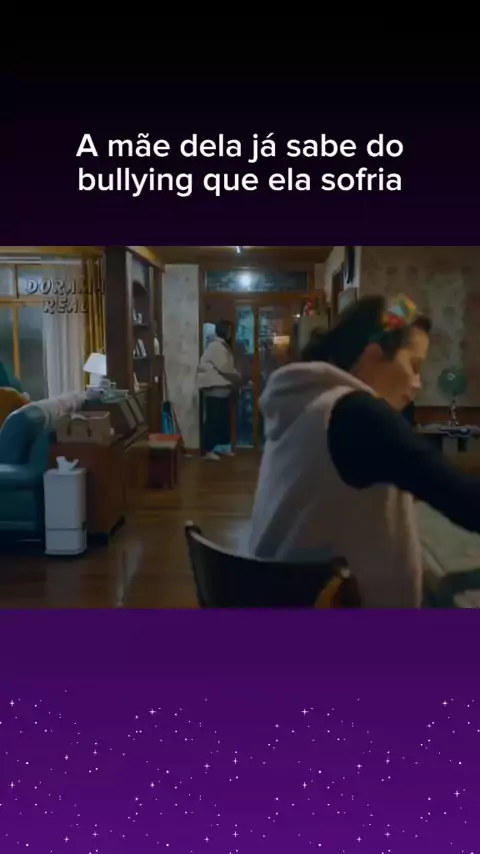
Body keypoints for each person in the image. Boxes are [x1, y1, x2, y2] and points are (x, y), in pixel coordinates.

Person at [248, 293, 480, 608]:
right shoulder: (357, 413)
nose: (417, 383)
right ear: (373, 355)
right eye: (414, 365)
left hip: (278, 598)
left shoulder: (308, 404)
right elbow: (465, 500)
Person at [197, 319, 240, 460]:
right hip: (214, 389)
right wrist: (237, 375)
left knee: (222, 419)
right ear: (225, 331)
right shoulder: (216, 346)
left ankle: (221, 447)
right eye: (230, 330)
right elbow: (225, 367)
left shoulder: (219, 345)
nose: (231, 334)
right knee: (214, 420)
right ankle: (208, 449)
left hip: (220, 389)